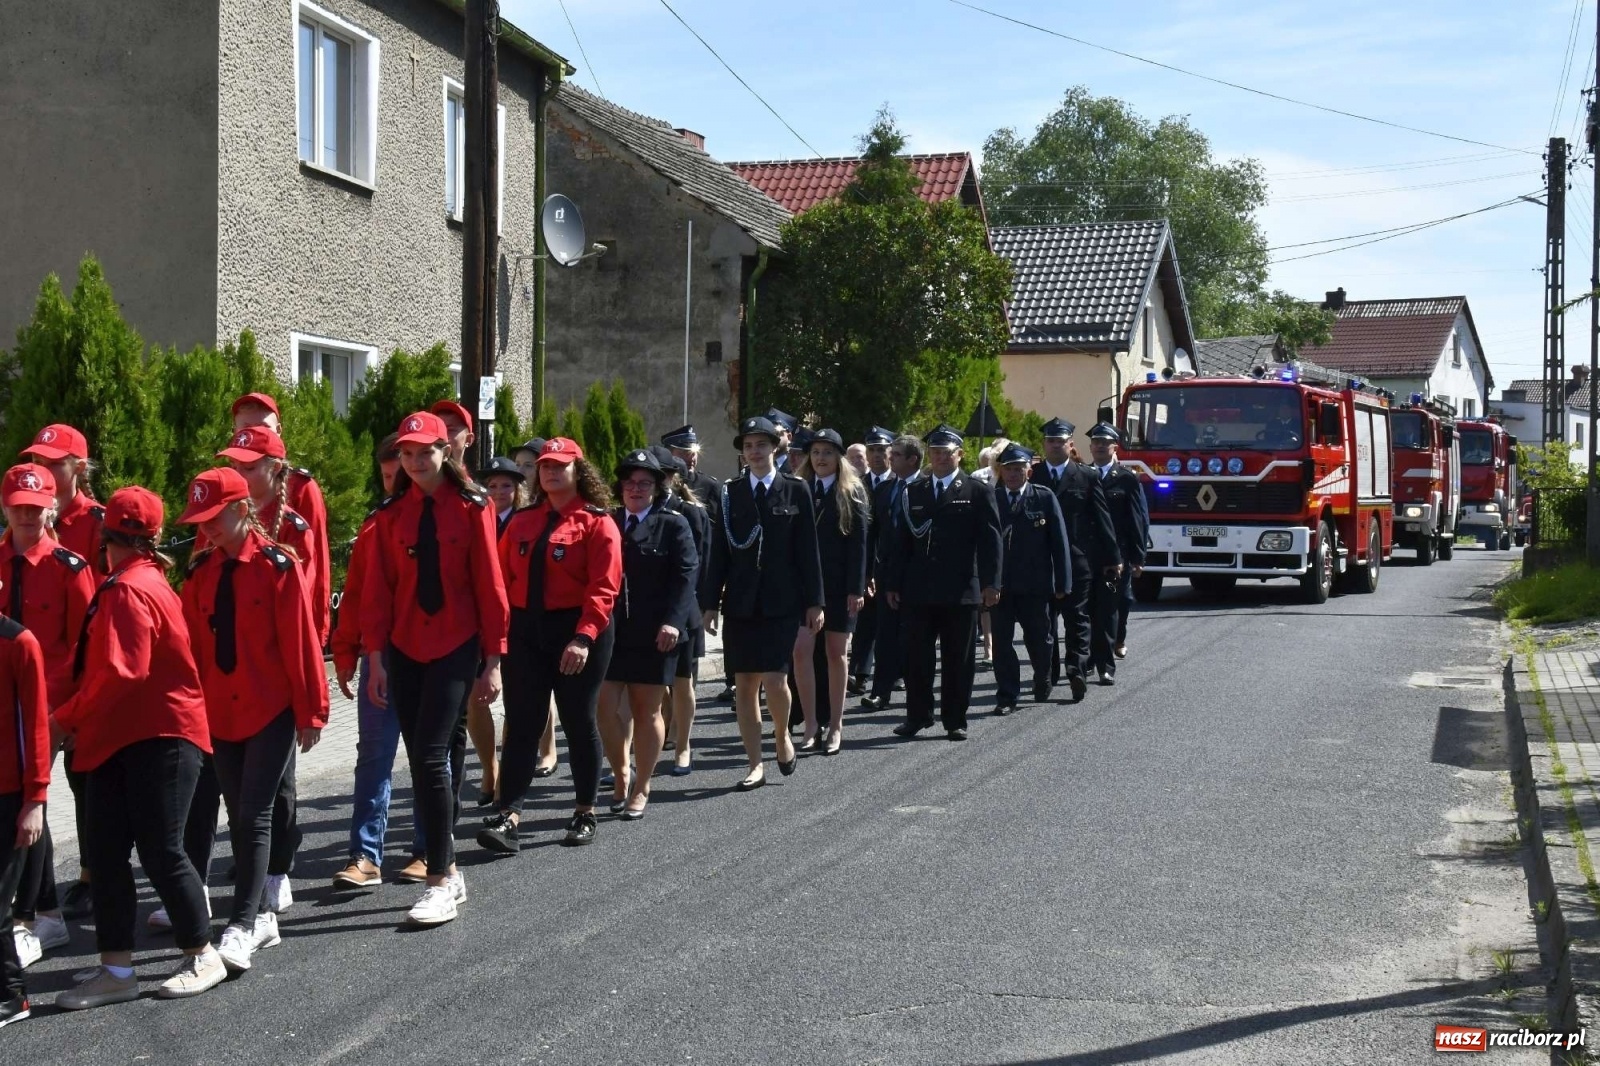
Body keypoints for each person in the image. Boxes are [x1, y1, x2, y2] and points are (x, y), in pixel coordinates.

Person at [52, 487, 226, 1008]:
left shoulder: (128, 589)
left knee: (158, 849)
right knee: (106, 851)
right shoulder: (141, 581)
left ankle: (202, 954)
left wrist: (60, 719)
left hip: (158, 735)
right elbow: (102, 670)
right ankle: (116, 971)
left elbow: (121, 674)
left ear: (104, 537)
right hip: (125, 737)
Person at [177, 468, 327, 974]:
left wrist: (311, 710)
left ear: (242, 511)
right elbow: (193, 656)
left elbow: (301, 645)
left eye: (213, 518)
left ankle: (240, 925)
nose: (206, 529)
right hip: (221, 713)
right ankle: (262, 915)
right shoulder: (199, 574)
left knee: (253, 815)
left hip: (270, 709)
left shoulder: (278, 567)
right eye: (200, 520)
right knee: (239, 813)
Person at [362, 412, 507, 926]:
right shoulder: (390, 513)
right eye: (407, 453)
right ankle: (449, 870)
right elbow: (378, 592)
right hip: (403, 645)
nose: (416, 461)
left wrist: (493, 659)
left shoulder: (472, 506)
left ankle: (441, 878)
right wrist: (375, 656)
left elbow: (489, 583)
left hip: (455, 642)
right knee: (421, 757)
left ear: (446, 452)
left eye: (426, 452)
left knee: (428, 756)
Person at [479, 438, 619, 854]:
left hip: (576, 629)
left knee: (578, 721)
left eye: (560, 466)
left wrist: (583, 637)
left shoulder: (596, 522)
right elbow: (500, 581)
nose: (551, 472)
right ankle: (510, 816)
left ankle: (584, 810)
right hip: (526, 629)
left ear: (578, 470)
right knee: (523, 722)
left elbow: (604, 588)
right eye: (544, 467)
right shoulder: (522, 521)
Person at [214, 423, 318, 916]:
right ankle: (257, 865)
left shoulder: (291, 529)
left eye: (249, 466)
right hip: (234, 676)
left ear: (275, 469)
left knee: (279, 783)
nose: (240, 472)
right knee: (248, 791)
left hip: (278, 669)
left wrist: (309, 694)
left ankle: (277, 866)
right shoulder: (219, 524)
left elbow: (309, 594)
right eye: (235, 464)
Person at [2, 464, 93, 972]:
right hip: (5, 710)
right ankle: (36, 911)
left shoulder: (68, 566)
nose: (27, 515)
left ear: (52, 508)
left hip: (55, 707)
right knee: (20, 807)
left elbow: (88, 644)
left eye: (37, 507)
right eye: (18, 505)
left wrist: (76, 714)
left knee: (32, 803)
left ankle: (45, 913)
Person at [704, 416, 823, 790]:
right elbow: (720, 553)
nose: (754, 452)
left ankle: (782, 734)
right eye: (748, 446)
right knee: (744, 685)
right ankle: (754, 762)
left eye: (761, 445)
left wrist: (815, 601)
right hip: (740, 601)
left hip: (782, 600)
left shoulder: (796, 490)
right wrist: (710, 602)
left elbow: (808, 550)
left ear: (776, 448)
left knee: (775, 679)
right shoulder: (730, 492)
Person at [330, 434, 428, 888]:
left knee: (431, 757)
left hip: (430, 654)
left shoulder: (444, 515)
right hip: (381, 654)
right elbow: (358, 595)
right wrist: (347, 650)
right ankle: (365, 855)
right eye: (388, 475)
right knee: (374, 754)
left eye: (400, 474)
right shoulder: (376, 524)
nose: (393, 483)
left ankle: (430, 850)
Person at [18, 424, 102, 921]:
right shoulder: (27, 517)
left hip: (73, 682)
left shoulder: (94, 522)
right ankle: (40, 898)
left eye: (55, 461)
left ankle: (93, 872)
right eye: (39, 459)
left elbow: (95, 616)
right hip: (32, 684)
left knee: (84, 782)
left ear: (78, 467)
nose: (45, 468)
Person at [881, 425, 1001, 741]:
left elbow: (991, 542)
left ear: (959, 455)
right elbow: (902, 542)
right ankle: (918, 716)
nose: (940, 458)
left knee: (957, 659)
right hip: (919, 589)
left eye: (946, 453)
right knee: (916, 657)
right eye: (935, 452)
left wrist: (992, 583)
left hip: (960, 589)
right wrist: (893, 583)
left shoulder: (976, 491)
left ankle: (955, 719)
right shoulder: (914, 491)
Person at [593, 450, 695, 819]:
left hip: (656, 634)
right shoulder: (607, 522)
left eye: (644, 484)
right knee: (604, 705)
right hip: (611, 632)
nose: (636, 489)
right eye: (630, 483)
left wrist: (673, 622)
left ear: (656, 488)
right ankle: (621, 771)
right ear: (620, 487)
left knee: (646, 708)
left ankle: (642, 784)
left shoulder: (673, 524)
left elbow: (685, 577)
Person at [1031, 418, 1119, 703]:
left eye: (1061, 441)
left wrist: (1112, 557)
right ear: (1044, 444)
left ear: (1071, 444)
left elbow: (1102, 519)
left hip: (1077, 561)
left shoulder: (1087, 476)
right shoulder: (1031, 475)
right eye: (1051, 441)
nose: (1056, 445)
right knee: (1043, 624)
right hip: (1039, 562)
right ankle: (1047, 675)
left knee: (1077, 619)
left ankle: (1076, 668)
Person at [793, 430, 867, 756]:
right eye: (815, 452)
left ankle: (836, 725)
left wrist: (856, 588)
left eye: (827, 452)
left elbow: (860, 545)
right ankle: (811, 724)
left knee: (836, 653)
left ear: (838, 456)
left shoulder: (852, 492)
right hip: (805, 587)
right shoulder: (799, 490)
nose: (820, 458)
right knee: (801, 651)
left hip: (839, 588)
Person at [0, 583, 49, 1029]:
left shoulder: (19, 643)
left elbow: (35, 725)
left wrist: (35, 799)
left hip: (8, 794)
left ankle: (13, 995)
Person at [990, 444, 1070, 715]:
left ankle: (1042, 675)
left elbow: (1059, 543)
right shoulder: (992, 498)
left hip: (1036, 585)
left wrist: (1063, 583)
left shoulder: (1044, 498)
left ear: (1028, 471)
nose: (1013, 474)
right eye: (1008, 469)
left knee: (1040, 639)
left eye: (1018, 469)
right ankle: (1007, 695)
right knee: (1001, 643)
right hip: (1001, 586)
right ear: (1001, 471)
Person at [654, 448, 709, 776]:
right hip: (646, 610)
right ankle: (639, 750)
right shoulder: (637, 511)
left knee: (681, 682)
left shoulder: (689, 512)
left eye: (662, 476)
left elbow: (699, 564)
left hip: (682, 609)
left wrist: (702, 607)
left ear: (674, 478)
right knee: (647, 687)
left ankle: (683, 745)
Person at [860, 435, 919, 712]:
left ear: (912, 459)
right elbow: (873, 534)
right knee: (885, 635)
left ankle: (917, 696)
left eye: (895, 454)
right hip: (885, 574)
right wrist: (869, 571)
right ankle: (880, 692)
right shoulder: (884, 490)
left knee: (916, 638)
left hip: (917, 575)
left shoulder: (926, 487)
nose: (888, 458)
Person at [1087, 424, 1149, 673]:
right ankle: (1091, 657)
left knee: (1117, 603)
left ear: (1114, 447)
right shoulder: (1082, 475)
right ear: (1090, 447)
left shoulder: (1126, 478)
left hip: (1118, 554)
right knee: (1090, 606)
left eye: (1105, 442)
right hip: (1088, 553)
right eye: (1096, 442)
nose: (1100, 445)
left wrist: (1138, 556)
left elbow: (1137, 519)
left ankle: (1112, 649)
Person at [849, 426, 897, 694]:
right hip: (865, 564)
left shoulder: (900, 484)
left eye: (882, 449)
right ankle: (861, 671)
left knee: (891, 622)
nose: (877, 455)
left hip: (891, 565)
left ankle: (894, 672)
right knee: (865, 621)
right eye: (873, 450)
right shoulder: (858, 486)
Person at [479, 456, 527, 541]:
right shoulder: (478, 520)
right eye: (493, 486)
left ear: (517, 489)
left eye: (506, 486)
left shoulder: (524, 521)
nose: (500, 491)